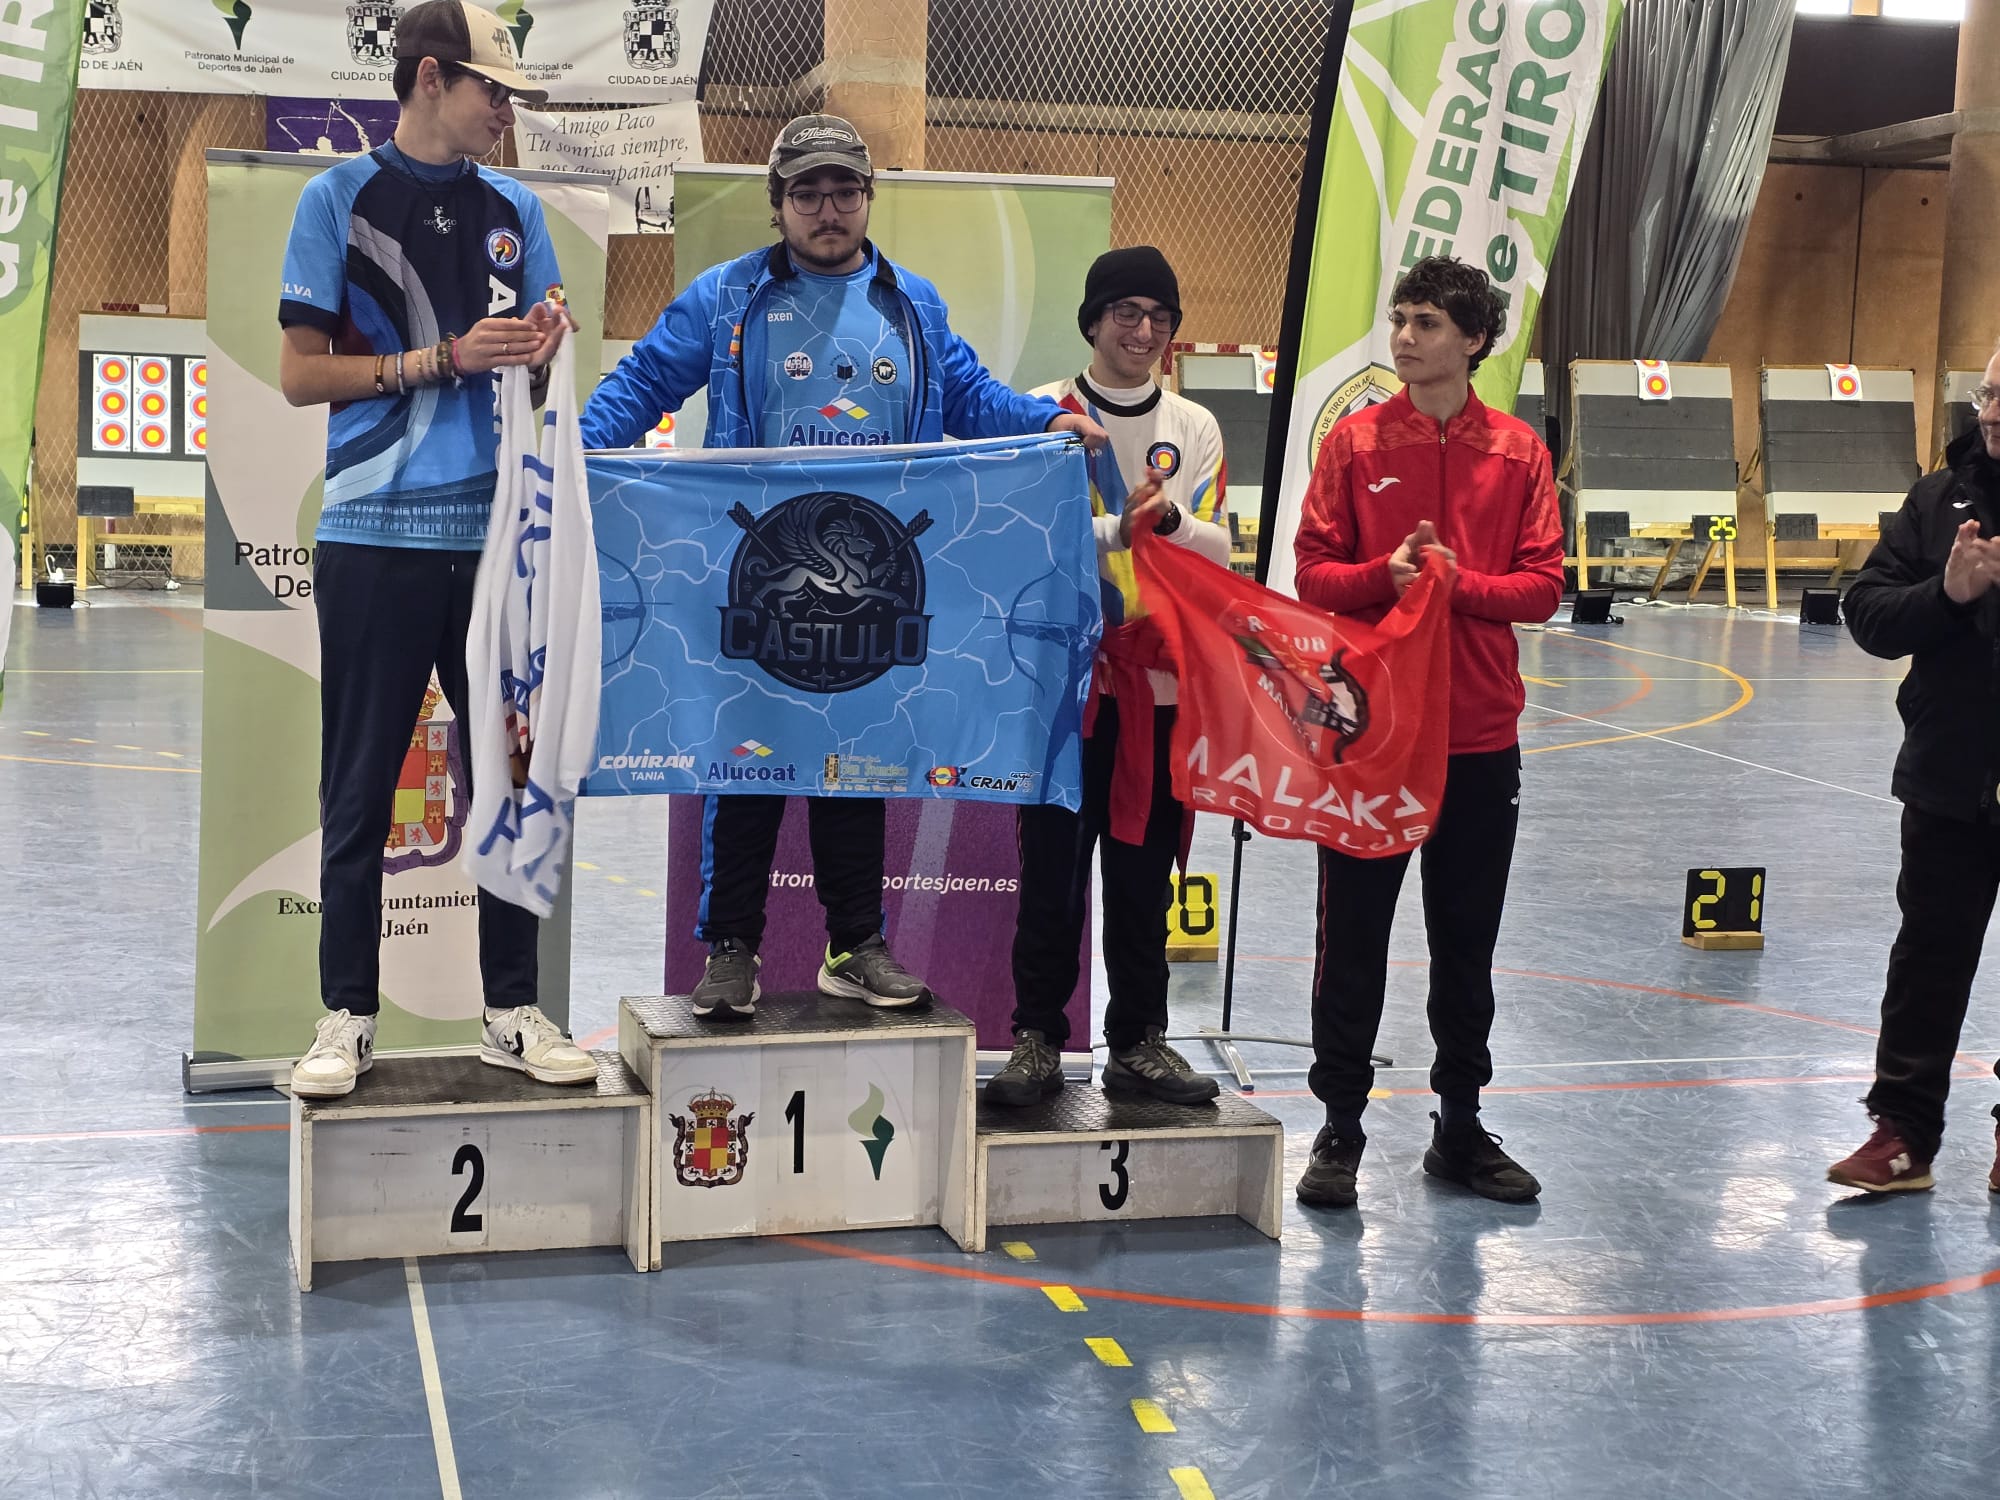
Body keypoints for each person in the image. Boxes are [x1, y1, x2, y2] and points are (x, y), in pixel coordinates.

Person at [582, 114, 1106, 1022]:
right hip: (752, 575)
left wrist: (1044, 421)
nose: (828, 210)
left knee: (857, 759)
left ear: (868, 198)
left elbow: (973, 396)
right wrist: (570, 457)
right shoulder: (726, 297)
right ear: (778, 204)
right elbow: (639, 387)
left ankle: (855, 944)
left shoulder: (914, 305)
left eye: (844, 192)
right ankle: (731, 950)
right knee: (744, 763)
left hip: (874, 581)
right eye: (808, 194)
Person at [284, 1, 593, 1099]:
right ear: (427, 79)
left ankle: (511, 1011)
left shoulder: (518, 210)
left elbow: (552, 372)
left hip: (500, 537)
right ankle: (344, 1018)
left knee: (504, 782)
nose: (505, 112)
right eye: (491, 90)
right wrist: (441, 360)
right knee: (360, 788)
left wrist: (545, 354)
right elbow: (300, 374)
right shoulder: (334, 199)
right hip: (370, 534)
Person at [1288, 255, 1563, 1207]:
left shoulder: (1520, 454)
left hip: (1481, 739)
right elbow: (1312, 572)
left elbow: (1544, 587)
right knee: (1353, 935)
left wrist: (1454, 583)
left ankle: (1459, 1127)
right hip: (1372, 737)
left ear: (1475, 340)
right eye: (1400, 319)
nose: (1405, 337)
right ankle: (1340, 1127)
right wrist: (1385, 578)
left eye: (1428, 324)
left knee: (1466, 939)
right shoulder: (1356, 444)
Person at [986, 247, 1227, 1107]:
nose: (1143, 330)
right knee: (1051, 873)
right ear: (1092, 322)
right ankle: (1037, 1041)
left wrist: (1170, 524)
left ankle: (1138, 1042)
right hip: (1058, 693)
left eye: (1159, 316)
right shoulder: (1047, 411)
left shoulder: (1195, 427)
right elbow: (1018, 539)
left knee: (1141, 879)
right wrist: (1120, 537)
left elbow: (1220, 551)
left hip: (1156, 693)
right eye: (1125, 312)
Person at [1828, 344, 2000, 1194]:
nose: (1994, 409)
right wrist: (1948, 595)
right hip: (1949, 775)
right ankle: (1902, 1136)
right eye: (1989, 393)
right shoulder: (1938, 501)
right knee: (1927, 959)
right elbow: (1867, 612)